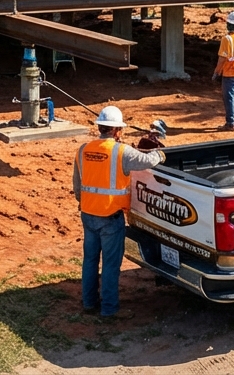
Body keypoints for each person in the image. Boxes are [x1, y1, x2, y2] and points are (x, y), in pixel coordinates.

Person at [73, 106, 165, 318]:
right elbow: (148, 160)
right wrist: (160, 153)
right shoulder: (121, 152)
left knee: (90, 260)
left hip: (88, 214)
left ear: (101, 128)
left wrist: (87, 203)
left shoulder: (83, 149)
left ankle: (88, 303)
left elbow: (78, 186)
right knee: (111, 265)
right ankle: (109, 310)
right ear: (117, 131)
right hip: (110, 217)